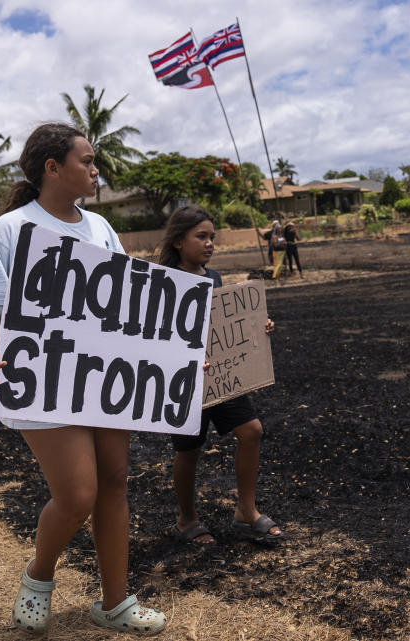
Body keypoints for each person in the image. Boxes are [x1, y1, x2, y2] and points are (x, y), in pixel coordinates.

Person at [0, 123, 166, 636]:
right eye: (87, 160)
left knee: (115, 483)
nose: (96, 169)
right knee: (77, 495)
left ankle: (115, 603)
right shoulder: (10, 229)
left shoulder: (100, 228)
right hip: (43, 375)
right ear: (53, 168)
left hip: (103, 375)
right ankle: (39, 574)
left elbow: (129, 305)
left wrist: (173, 357)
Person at [158, 204, 282, 546]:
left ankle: (246, 511)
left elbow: (224, 325)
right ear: (179, 241)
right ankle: (187, 519)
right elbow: (155, 336)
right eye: (201, 237)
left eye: (212, 237)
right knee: (189, 449)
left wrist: (258, 327)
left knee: (252, 430)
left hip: (223, 375)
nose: (210, 243)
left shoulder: (213, 278)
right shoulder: (162, 282)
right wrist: (183, 359)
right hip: (184, 379)